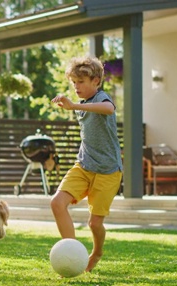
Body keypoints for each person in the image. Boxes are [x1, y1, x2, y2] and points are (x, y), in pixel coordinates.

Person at [50, 56, 123, 272]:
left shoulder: (102, 98)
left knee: (94, 224)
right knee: (56, 203)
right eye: (74, 82)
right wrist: (74, 105)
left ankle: (97, 252)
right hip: (84, 165)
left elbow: (109, 109)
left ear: (96, 81)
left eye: (81, 82)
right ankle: (73, 254)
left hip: (108, 171)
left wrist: (72, 106)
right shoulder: (81, 105)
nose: (76, 87)